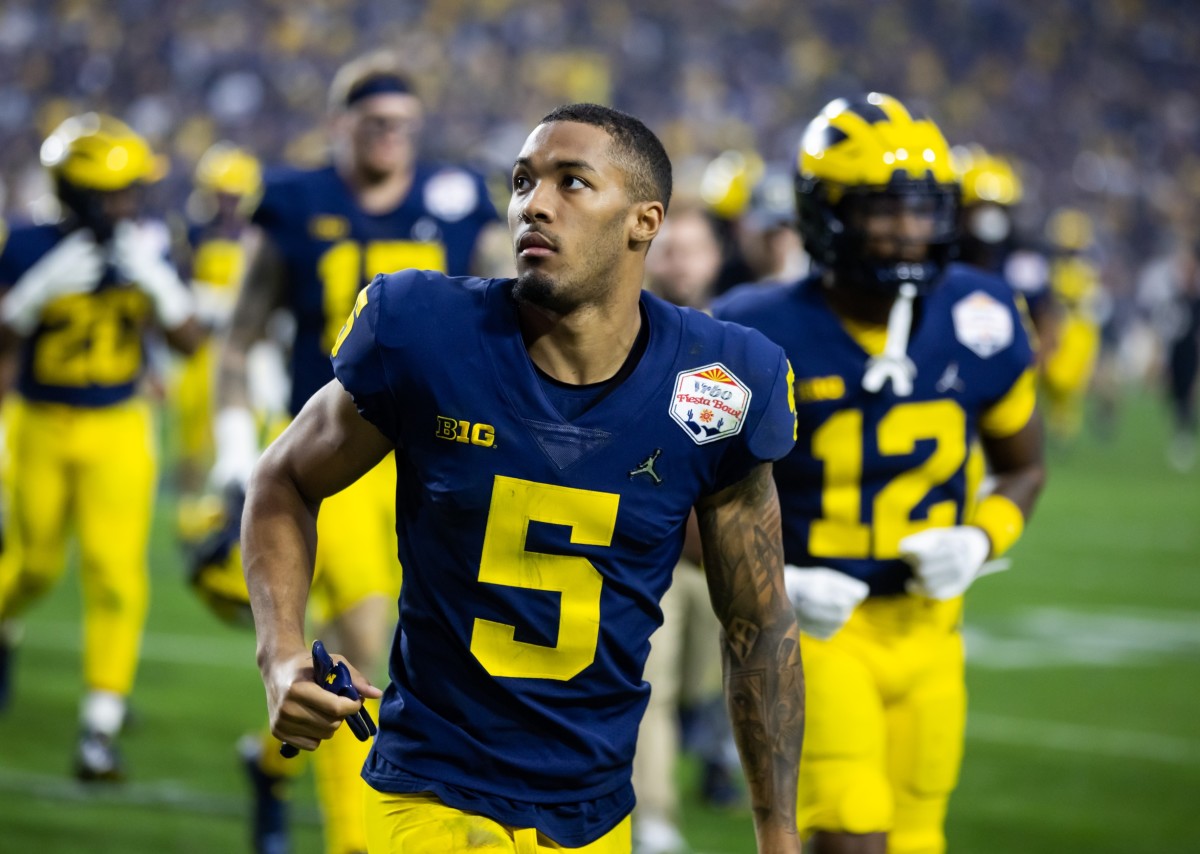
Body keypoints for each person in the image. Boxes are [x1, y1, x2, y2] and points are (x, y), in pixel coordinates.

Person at [243, 103, 804, 854]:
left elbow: (758, 627)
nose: (534, 203)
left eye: (573, 183)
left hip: (593, 814)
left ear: (645, 221)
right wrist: (280, 653)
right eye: (522, 181)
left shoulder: (719, 383)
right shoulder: (425, 333)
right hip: (429, 791)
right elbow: (282, 480)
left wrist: (778, 834)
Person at [714, 93, 1046, 854]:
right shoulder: (756, 327)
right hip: (814, 628)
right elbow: (683, 496)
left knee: (919, 837)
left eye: (924, 209)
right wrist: (776, 586)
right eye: (883, 209)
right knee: (851, 835)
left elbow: (1023, 466)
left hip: (933, 629)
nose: (909, 228)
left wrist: (984, 534)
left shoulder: (982, 313)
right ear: (825, 212)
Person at [214, 51, 507, 854]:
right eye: (376, 123)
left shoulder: (453, 201)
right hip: (332, 449)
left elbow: (501, 309)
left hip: (428, 454)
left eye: (404, 126)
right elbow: (238, 336)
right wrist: (236, 443)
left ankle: (272, 771)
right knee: (365, 644)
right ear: (341, 124)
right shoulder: (296, 202)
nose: (391, 139)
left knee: (422, 642)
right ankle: (357, 840)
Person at [0, 112, 203, 779]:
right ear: (81, 193)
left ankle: (100, 725)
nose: (130, 203)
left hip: (118, 424)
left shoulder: (147, 244)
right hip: (38, 422)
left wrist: (160, 285)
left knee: (116, 577)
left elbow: (188, 342)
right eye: (117, 193)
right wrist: (29, 301)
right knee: (30, 566)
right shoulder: (26, 247)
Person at [634, 203, 744, 854]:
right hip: (651, 546)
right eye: (667, 246)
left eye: (691, 247)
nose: (677, 258)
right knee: (653, 681)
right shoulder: (618, 330)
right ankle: (654, 817)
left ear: (714, 258)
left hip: (723, 544)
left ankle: (713, 760)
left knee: (709, 686)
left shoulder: (745, 337)